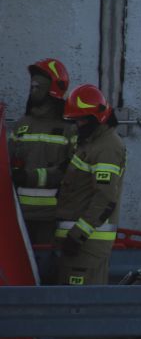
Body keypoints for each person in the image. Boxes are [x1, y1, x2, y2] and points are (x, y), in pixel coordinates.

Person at [52, 84, 126, 286]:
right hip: (79, 244)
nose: (77, 125)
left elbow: (105, 198)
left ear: (97, 118)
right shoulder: (90, 144)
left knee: (76, 309)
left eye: (81, 120)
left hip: (87, 245)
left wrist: (77, 235)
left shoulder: (107, 147)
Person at [9, 58, 75, 262]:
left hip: (51, 217)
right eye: (33, 84)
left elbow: (71, 171)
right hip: (19, 217)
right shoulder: (21, 125)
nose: (33, 89)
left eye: (39, 85)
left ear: (53, 89)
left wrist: (29, 177)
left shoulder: (69, 129)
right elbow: (8, 165)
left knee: (47, 269)